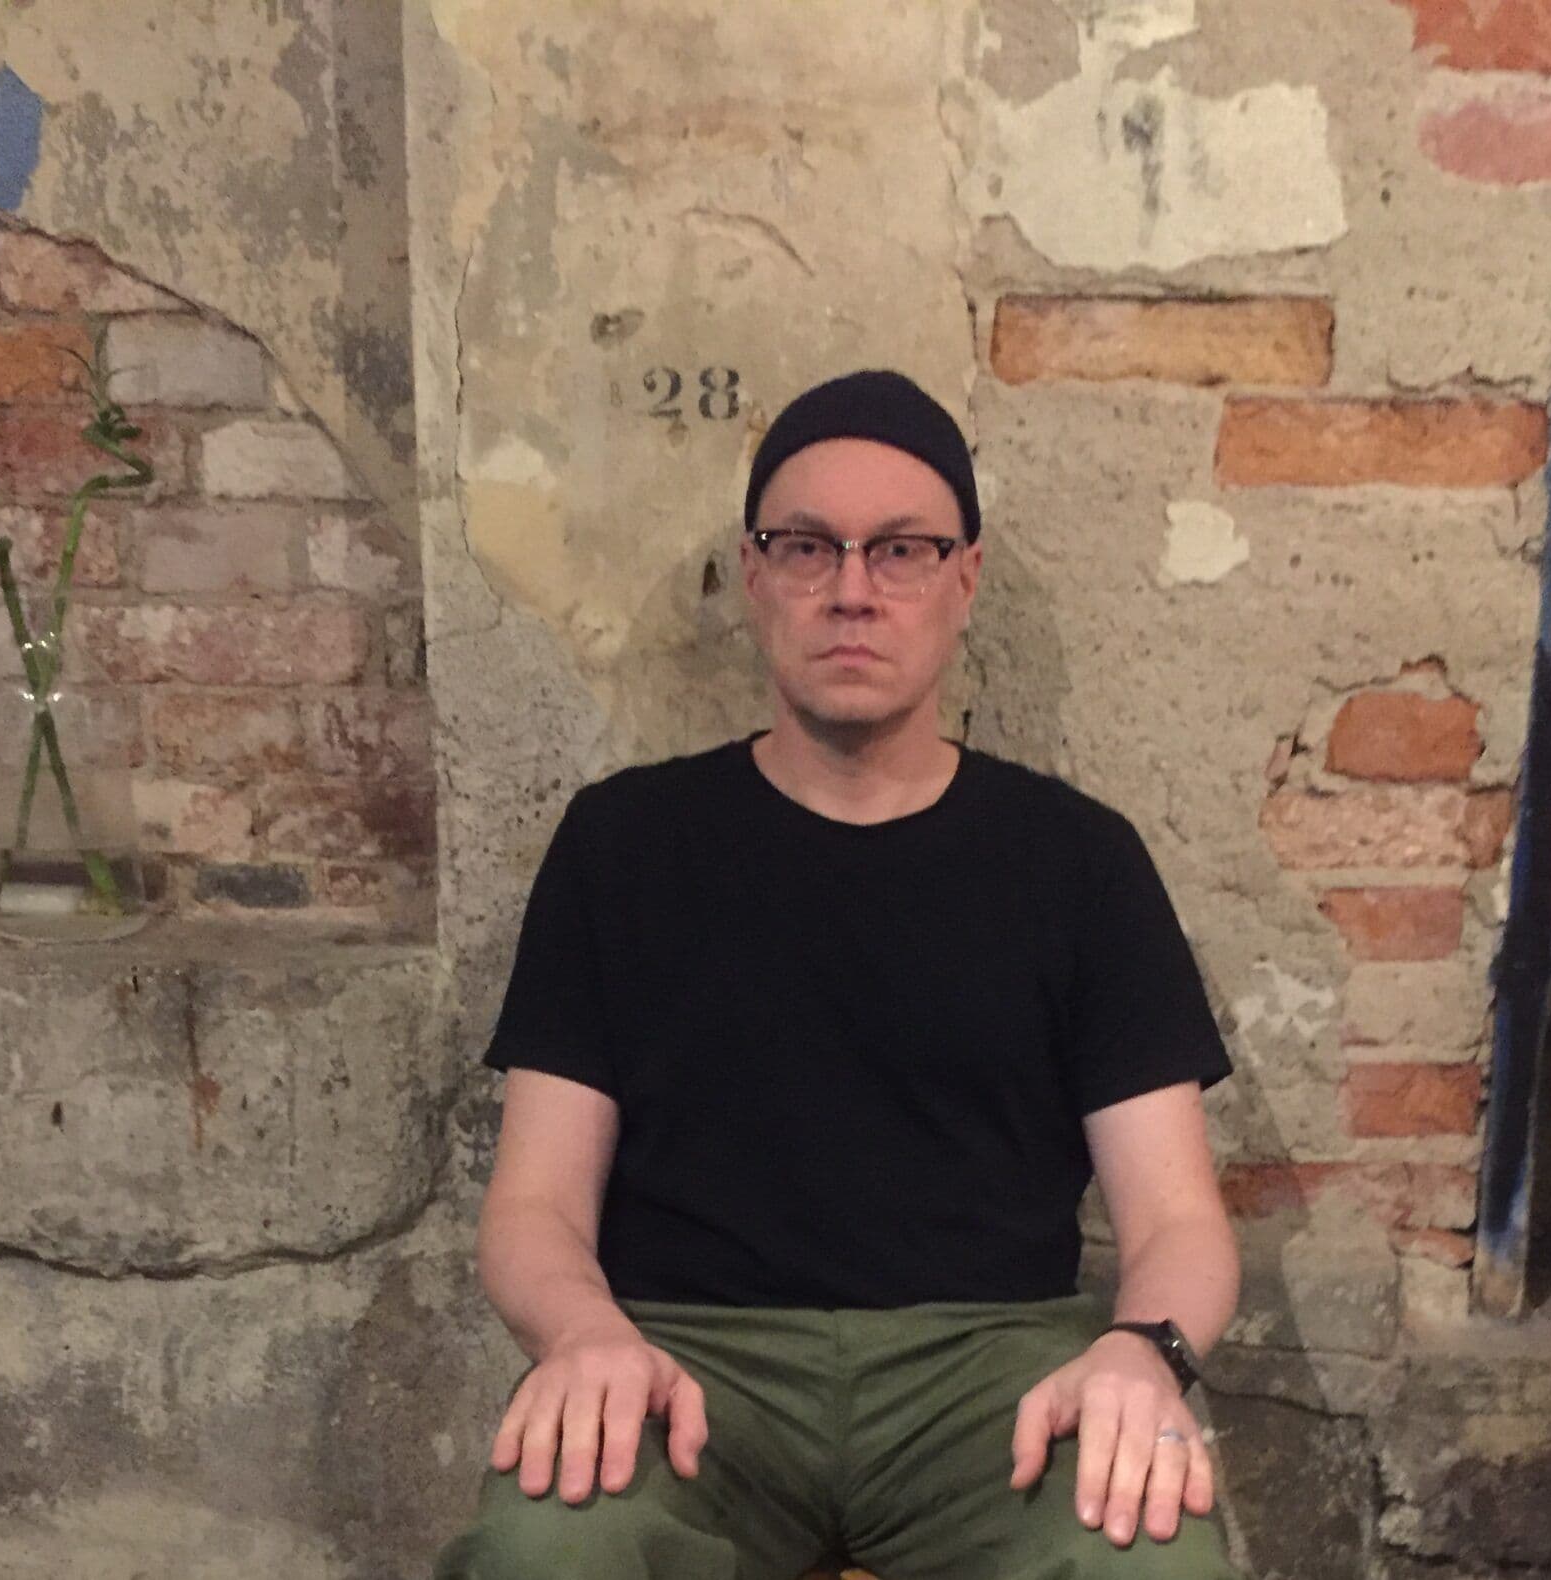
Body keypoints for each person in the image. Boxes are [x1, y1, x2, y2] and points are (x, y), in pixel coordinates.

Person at [434, 368, 1244, 1580]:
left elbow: (1178, 1216)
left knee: (1150, 1565)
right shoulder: (626, 843)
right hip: (689, 1366)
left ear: (965, 579)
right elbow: (534, 1202)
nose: (853, 589)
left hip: (995, 1373)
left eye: (903, 550)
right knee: (535, 1553)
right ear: (754, 575)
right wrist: (583, 1330)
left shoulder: (1076, 858)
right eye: (808, 546)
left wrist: (1145, 1350)